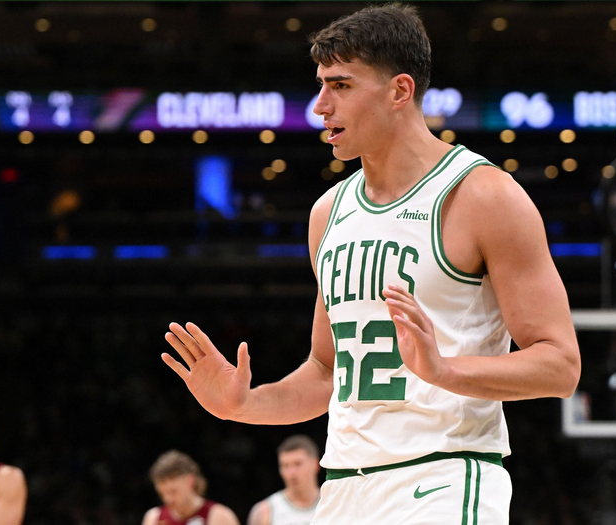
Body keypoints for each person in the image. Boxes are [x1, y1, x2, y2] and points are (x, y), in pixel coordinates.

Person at [162, 4, 581, 524]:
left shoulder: (483, 196)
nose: (320, 105)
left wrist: (444, 370)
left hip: (445, 478)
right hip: (344, 486)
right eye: (320, 85)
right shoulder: (327, 213)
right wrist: (243, 405)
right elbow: (325, 372)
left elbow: (560, 366)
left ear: (399, 91)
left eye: (340, 85)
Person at [142, 450, 239, 525]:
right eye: (162, 493)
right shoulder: (153, 518)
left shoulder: (220, 516)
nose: (168, 499)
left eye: (173, 491)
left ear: (190, 481)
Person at [247, 435, 320, 525]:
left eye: (298, 464)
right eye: (285, 465)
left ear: (315, 464)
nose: (292, 472)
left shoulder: (332, 503)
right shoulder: (265, 511)